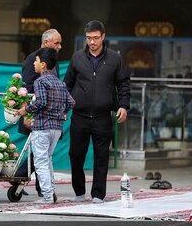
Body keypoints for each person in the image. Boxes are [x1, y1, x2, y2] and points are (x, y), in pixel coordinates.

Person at [64, 20, 130, 203]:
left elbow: (123, 83)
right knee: (76, 154)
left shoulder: (115, 59)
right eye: (88, 38)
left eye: (95, 38)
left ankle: (98, 194)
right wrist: (63, 107)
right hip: (79, 116)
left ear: (103, 37)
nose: (92, 42)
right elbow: (67, 85)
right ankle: (79, 192)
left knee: (101, 156)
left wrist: (123, 105)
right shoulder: (77, 58)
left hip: (103, 117)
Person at [18, 48, 75, 204]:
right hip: (57, 127)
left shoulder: (40, 81)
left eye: (36, 61)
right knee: (48, 159)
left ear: (43, 65)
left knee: (41, 161)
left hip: (42, 126)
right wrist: (62, 112)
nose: (34, 64)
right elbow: (71, 102)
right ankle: (51, 192)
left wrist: (26, 110)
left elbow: (41, 102)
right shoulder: (60, 83)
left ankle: (48, 196)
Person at [14, 28, 62, 196]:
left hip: (49, 115)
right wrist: (27, 114)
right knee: (42, 153)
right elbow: (26, 88)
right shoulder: (32, 60)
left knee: (42, 152)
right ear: (46, 42)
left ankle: (24, 179)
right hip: (36, 113)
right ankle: (22, 177)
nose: (60, 46)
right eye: (57, 43)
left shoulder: (51, 61)